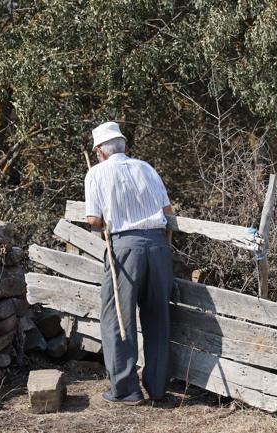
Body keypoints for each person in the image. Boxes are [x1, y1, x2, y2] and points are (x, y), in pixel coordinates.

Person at [84, 121, 174, 405]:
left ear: (100, 151)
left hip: (124, 249)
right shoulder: (146, 168)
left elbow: (95, 221)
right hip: (158, 246)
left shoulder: (96, 174)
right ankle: (158, 389)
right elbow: (168, 211)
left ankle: (126, 390)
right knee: (158, 317)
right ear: (124, 146)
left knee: (116, 318)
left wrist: (101, 222)